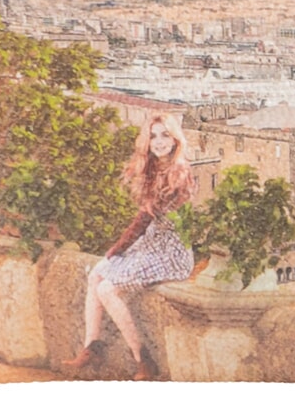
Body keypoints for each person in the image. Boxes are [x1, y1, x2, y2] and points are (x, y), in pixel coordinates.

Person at [63, 111, 197, 380]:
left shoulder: (179, 172)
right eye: (153, 136)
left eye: (165, 135)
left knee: (107, 288)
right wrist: (116, 253)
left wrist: (116, 250)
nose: (159, 142)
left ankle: (142, 359)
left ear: (175, 139)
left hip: (171, 251)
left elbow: (143, 221)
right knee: (95, 275)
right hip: (151, 244)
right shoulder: (152, 169)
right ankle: (91, 348)